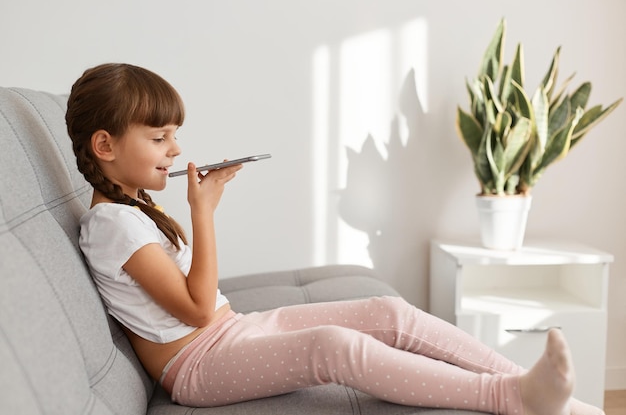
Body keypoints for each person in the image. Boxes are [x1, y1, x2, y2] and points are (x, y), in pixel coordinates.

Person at [66, 63, 602, 415]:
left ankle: (551, 396)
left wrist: (193, 210)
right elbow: (198, 310)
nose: (176, 150)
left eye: (175, 136)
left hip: (232, 332)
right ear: (106, 145)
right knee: (335, 348)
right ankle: (510, 396)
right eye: (159, 138)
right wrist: (203, 213)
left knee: (386, 313)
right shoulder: (112, 225)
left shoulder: (133, 206)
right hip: (198, 367)